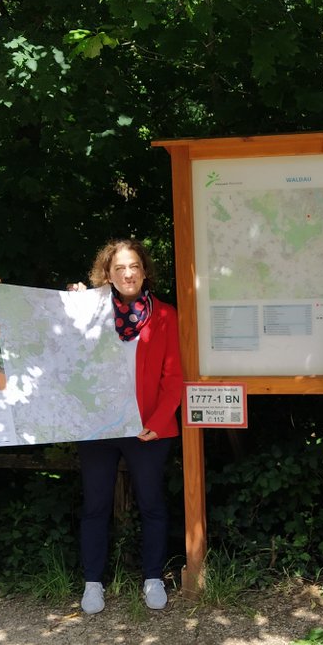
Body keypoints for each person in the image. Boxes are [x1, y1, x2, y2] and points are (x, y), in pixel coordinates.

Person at [73, 239, 183, 614]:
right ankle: (92, 583)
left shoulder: (165, 315)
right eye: (119, 268)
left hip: (149, 429)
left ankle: (153, 577)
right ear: (107, 274)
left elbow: (174, 377)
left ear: (144, 270)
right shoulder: (88, 314)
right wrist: (72, 304)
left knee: (152, 503)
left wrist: (156, 422)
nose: (128, 273)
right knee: (96, 506)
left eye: (134, 266)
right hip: (98, 428)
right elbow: (63, 358)